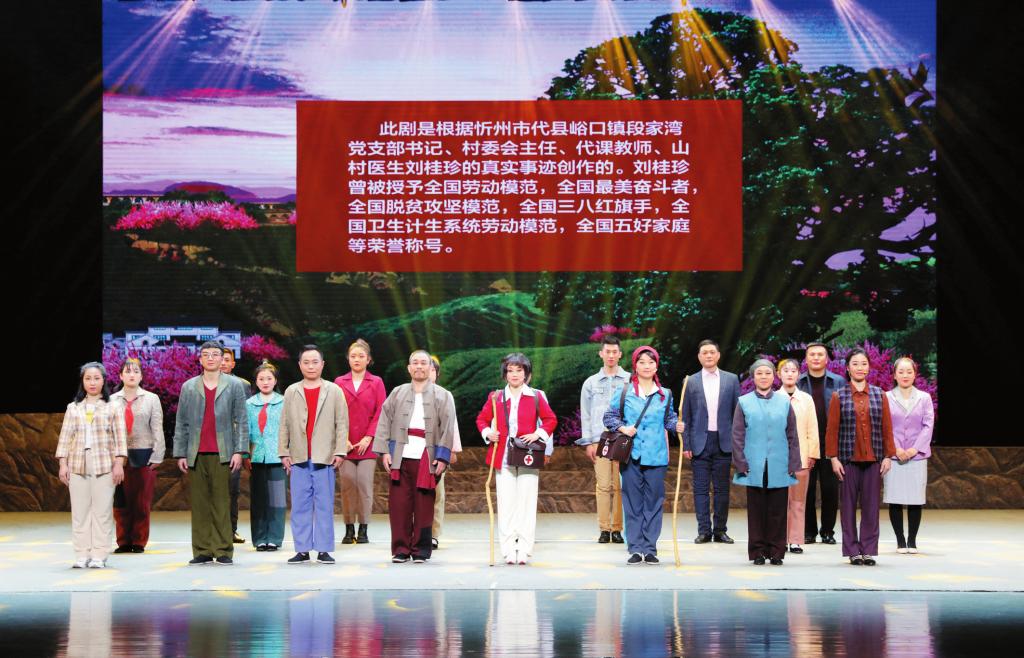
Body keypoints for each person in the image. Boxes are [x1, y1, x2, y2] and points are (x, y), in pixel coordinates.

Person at [374, 350, 458, 563]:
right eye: (415, 363)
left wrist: (443, 457)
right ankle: (401, 549)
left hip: (427, 456)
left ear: (430, 368)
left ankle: (421, 549)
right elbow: (384, 422)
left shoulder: (443, 395)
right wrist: (384, 451)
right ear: (409, 368)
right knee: (399, 504)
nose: (419, 366)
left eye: (423, 363)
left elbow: (448, 428)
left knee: (424, 505)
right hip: (400, 454)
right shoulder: (397, 392)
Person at [476, 352, 557, 565]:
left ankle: (525, 549)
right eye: (510, 370)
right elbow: (482, 419)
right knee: (506, 504)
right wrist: (488, 433)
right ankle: (508, 549)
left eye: (519, 370)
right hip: (503, 456)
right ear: (505, 374)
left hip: (527, 455)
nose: (514, 374)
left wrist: (537, 434)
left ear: (526, 373)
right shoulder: (496, 397)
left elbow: (550, 419)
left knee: (527, 504)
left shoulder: (535, 396)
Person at [603, 346, 680, 565]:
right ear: (635, 365)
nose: (647, 366)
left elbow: (669, 419)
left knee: (654, 502)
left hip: (657, 456)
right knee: (632, 502)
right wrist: (623, 428)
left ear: (657, 366)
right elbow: (609, 417)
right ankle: (635, 548)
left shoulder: (665, 394)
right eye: (642, 362)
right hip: (631, 455)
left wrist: (677, 425)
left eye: (651, 362)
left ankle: (650, 548)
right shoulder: (625, 391)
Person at [173, 341, 248, 565]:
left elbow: (241, 420)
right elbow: (182, 422)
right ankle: (202, 550)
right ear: (200, 359)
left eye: (216, 354)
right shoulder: (189, 387)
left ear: (222, 359)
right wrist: (180, 453)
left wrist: (239, 451)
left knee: (222, 502)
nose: (211, 358)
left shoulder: (234, 385)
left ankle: (223, 549)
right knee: (200, 503)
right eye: (206, 354)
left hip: (224, 451)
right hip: (196, 451)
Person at [825, 348, 897, 566]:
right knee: (847, 507)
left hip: (874, 460)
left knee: (871, 508)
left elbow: (887, 428)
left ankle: (868, 550)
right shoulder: (839, 396)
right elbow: (832, 430)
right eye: (855, 364)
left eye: (863, 364)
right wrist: (833, 458)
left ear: (869, 367)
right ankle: (852, 550)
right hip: (848, 460)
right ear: (848, 368)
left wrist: (888, 456)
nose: (859, 368)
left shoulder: (879, 394)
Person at [279, 345, 349, 565]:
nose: (311, 366)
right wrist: (283, 452)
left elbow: (342, 423)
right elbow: (284, 424)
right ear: (300, 365)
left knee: (324, 505)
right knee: (300, 505)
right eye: (306, 362)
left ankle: (323, 549)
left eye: (315, 362)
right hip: (299, 457)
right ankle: (302, 549)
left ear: (322, 364)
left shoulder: (334, 390)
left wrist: (340, 451)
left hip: (324, 457)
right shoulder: (292, 391)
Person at [56, 362, 128, 568]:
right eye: (88, 378)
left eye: (96, 378)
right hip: (78, 463)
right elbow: (65, 438)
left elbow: (120, 439)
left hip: (104, 463)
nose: (92, 382)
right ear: (82, 381)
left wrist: (119, 463)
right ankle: (82, 554)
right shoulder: (73, 408)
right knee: (80, 513)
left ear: (103, 381)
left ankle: (99, 554)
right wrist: (63, 464)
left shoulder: (113, 406)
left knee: (102, 512)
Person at [732, 360, 801, 565]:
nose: (763, 377)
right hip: (753, 464)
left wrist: (793, 463)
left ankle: (777, 551)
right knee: (757, 511)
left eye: (768, 373)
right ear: (753, 377)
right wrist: (741, 462)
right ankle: (758, 552)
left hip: (779, 463)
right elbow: (737, 435)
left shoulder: (784, 402)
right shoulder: (744, 402)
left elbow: (792, 435)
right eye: (759, 373)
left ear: (774, 376)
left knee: (778, 511)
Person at [680, 340, 740, 544]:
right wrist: (686, 444)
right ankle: (704, 530)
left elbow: (737, 414)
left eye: (712, 352)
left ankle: (720, 530)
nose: (708, 355)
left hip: (724, 441)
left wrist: (737, 443)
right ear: (699, 357)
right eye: (704, 352)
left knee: (722, 489)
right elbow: (685, 415)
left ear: (718, 355)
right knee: (700, 489)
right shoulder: (690, 381)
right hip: (699, 442)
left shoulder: (731, 380)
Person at [577, 334, 630, 544]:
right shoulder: (590, 383)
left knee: (619, 485)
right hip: (600, 440)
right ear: (601, 353)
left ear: (620, 354)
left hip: (623, 439)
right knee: (603, 485)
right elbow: (586, 414)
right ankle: (604, 528)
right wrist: (588, 442)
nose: (611, 355)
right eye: (607, 351)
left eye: (614, 352)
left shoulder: (629, 380)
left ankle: (617, 529)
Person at [335, 339, 387, 546]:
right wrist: (343, 438)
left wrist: (369, 436)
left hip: (368, 444)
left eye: (361, 356)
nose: (357, 359)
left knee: (364, 485)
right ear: (348, 359)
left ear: (368, 359)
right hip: (345, 444)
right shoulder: (339, 382)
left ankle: (363, 528)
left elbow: (381, 411)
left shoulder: (376, 382)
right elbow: (336, 412)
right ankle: (349, 528)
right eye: (353, 356)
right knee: (347, 484)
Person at [110, 358, 164, 554]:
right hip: (118, 457)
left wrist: (158, 455)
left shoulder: (151, 399)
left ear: (141, 376)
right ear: (120, 375)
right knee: (120, 502)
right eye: (127, 371)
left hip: (144, 453)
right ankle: (123, 541)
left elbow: (157, 428)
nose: (131, 375)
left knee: (141, 502)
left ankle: (139, 541)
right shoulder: (111, 400)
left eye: (135, 371)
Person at [883, 357, 934, 554]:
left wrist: (914, 449)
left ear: (915, 374)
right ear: (894, 375)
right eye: (901, 372)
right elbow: (884, 425)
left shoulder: (924, 398)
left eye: (909, 372)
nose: (905, 375)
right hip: (894, 456)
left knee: (915, 498)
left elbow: (928, 425)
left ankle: (912, 540)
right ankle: (900, 541)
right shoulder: (886, 397)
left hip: (917, 456)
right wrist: (895, 449)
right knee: (895, 498)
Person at [797, 342, 846, 545]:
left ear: (827, 359)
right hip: (806, 443)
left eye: (820, 355)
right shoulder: (798, 382)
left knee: (830, 489)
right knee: (806, 489)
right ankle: (808, 531)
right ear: (806, 359)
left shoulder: (838, 382)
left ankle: (828, 531)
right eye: (812, 354)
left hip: (830, 444)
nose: (816, 358)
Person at [776, 359, 819, 555]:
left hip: (801, 458)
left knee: (798, 501)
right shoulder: (772, 398)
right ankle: (779, 538)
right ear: (779, 375)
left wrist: (812, 454)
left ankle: (795, 540)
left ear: (798, 374)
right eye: (786, 370)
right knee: (779, 501)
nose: (790, 374)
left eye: (793, 370)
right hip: (778, 459)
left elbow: (812, 429)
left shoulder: (806, 399)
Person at [246, 360, 286, 551]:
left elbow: (288, 430)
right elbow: (245, 431)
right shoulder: (249, 404)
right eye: (261, 379)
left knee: (277, 500)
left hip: (278, 458)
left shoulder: (284, 402)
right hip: (256, 458)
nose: (265, 382)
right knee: (259, 500)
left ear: (275, 380)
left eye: (269, 378)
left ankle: (275, 538)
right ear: (256, 381)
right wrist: (245, 454)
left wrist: (288, 453)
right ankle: (260, 538)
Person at [429, 354, 463, 550]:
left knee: (437, 493)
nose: (428, 372)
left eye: (432, 370)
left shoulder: (444, 395)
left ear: (437, 373)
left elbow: (452, 424)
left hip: (438, 450)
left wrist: (453, 449)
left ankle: (433, 534)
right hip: (415, 450)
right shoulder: (407, 393)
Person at [219, 349, 249, 545]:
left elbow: (246, 419)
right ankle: (215, 531)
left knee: (232, 490)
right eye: (220, 359)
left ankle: (231, 530)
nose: (222, 363)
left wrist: (244, 450)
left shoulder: (242, 385)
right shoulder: (204, 383)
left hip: (234, 447)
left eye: (227, 360)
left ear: (232, 364)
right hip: (212, 444)